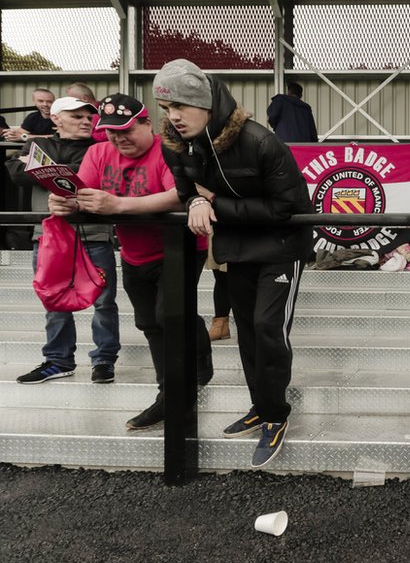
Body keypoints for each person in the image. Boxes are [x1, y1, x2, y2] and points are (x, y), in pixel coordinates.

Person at [153, 58, 313, 469]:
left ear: (207, 105)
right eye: (167, 108)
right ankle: (261, 405)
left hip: (280, 246)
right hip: (237, 250)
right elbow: (187, 190)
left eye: (181, 107)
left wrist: (215, 204)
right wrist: (192, 201)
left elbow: (288, 207)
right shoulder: (177, 146)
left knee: (267, 327)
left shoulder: (260, 141)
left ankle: (277, 414)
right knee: (246, 334)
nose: (173, 117)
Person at [48, 94, 213, 430]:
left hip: (179, 247)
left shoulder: (167, 148)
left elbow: (181, 195)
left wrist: (119, 206)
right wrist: (66, 202)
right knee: (149, 322)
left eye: (126, 130)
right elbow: (87, 195)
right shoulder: (97, 152)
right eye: (111, 133)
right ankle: (189, 367)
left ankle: (170, 398)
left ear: (146, 123)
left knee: (168, 315)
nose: (118, 139)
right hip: (134, 252)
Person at [6, 96, 120, 384]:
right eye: (77, 116)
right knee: (54, 299)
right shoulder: (38, 144)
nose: (85, 121)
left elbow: (86, 176)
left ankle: (104, 360)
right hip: (49, 236)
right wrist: (65, 173)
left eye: (88, 117)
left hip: (94, 232)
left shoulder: (99, 148)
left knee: (104, 302)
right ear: (56, 119)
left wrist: (45, 169)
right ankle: (58, 360)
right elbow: (15, 172)